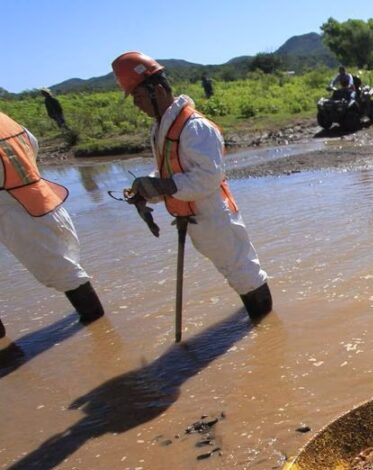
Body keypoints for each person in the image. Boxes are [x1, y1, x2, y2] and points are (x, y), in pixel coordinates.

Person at [110, 52, 272, 321]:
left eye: (138, 97)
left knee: (243, 273)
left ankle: (266, 330)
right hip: (195, 216)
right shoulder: (162, 127)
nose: (137, 105)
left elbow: (207, 178)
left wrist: (159, 185)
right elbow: (170, 170)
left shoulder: (195, 128)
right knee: (234, 272)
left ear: (157, 90)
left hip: (214, 215)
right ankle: (261, 327)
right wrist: (147, 189)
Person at [0, 111, 105, 332]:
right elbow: (32, 143)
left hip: (15, 206)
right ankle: (99, 328)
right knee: (63, 265)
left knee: (61, 270)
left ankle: (97, 324)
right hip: (35, 195)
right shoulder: (4, 120)